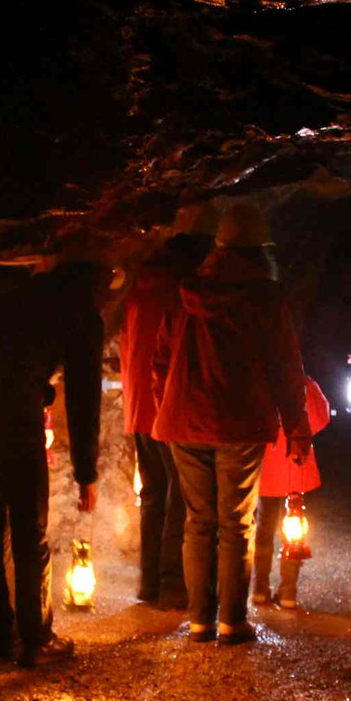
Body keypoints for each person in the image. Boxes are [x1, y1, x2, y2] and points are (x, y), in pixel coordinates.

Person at [153, 203, 311, 646]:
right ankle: (231, 623)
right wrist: (297, 429)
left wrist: (165, 405)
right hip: (239, 422)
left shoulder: (184, 293)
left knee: (198, 522)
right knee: (235, 524)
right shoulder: (266, 298)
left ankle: (200, 621)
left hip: (184, 421)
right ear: (260, 250)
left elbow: (160, 361)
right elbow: (285, 368)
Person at [0, 260, 105, 668]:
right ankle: (36, 640)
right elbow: (85, 396)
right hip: (15, 414)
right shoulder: (77, 312)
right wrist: (86, 472)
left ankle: (6, 638)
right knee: (28, 526)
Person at [121, 211, 215, 608]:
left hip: (138, 407)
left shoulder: (139, 289)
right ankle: (174, 585)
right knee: (182, 499)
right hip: (169, 408)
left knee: (154, 496)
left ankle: (149, 584)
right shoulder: (183, 292)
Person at [253, 373, 331, 610]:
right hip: (297, 461)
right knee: (294, 527)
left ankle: (259, 588)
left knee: (263, 527)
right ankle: (288, 591)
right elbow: (322, 416)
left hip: (267, 461)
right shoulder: (303, 383)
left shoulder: (260, 381)